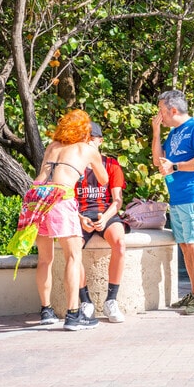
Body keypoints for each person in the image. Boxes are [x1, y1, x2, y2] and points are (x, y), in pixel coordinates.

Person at [31, 110, 108, 330]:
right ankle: (73, 314)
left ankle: (46, 310)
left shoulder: (52, 146)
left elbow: (43, 176)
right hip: (61, 199)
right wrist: (93, 157)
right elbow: (102, 180)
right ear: (84, 131)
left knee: (45, 259)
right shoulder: (87, 149)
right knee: (73, 257)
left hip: (37, 198)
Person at [152, 89, 194, 315]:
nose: (159, 115)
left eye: (161, 111)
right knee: (186, 245)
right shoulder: (174, 132)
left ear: (173, 110)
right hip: (177, 195)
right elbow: (158, 161)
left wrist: (176, 166)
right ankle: (193, 294)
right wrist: (156, 132)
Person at [75, 121, 130, 323]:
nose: (88, 141)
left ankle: (111, 301)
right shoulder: (73, 166)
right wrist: (80, 218)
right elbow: (67, 199)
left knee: (120, 244)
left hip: (105, 213)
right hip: (79, 215)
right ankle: (85, 302)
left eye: (92, 138)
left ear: (100, 140)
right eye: (84, 137)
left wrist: (105, 218)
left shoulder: (111, 164)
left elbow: (117, 200)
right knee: (73, 251)